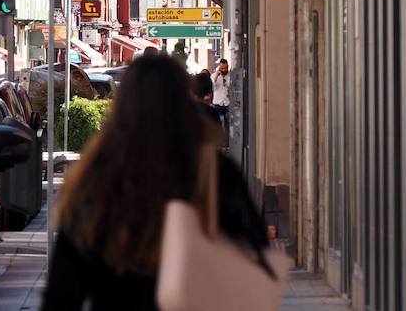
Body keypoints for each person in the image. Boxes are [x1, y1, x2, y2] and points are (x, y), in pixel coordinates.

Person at [43, 55, 269, 310]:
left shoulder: (98, 179)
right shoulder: (214, 171)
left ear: (122, 105)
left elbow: (60, 296)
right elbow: (255, 250)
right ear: (183, 101)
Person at [212, 59, 232, 143]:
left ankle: (227, 142)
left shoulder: (230, 76)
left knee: (228, 124)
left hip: (227, 103)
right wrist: (217, 76)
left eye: (225, 68)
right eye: (222, 68)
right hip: (218, 103)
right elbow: (213, 86)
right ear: (219, 68)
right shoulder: (214, 75)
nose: (224, 70)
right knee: (219, 124)